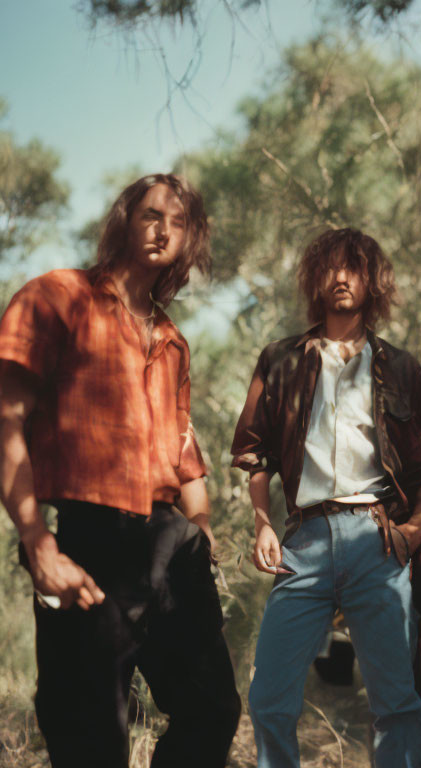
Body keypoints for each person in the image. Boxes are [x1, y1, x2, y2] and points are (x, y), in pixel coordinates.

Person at [0, 174, 241, 768]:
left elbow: (185, 455)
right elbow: (6, 420)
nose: (163, 229)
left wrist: (200, 527)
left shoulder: (173, 341)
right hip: (91, 537)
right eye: (151, 214)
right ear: (124, 221)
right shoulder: (57, 297)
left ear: (191, 241)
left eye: (179, 222)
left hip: (172, 541)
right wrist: (38, 542)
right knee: (91, 730)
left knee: (212, 710)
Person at [231, 227, 421, 768]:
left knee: (396, 703)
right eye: (331, 268)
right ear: (315, 279)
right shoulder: (280, 360)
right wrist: (262, 523)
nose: (342, 278)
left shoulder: (400, 367)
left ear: (373, 281)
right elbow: (254, 455)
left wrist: (415, 530)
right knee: (269, 698)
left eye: (354, 268)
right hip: (305, 540)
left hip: (378, 539)